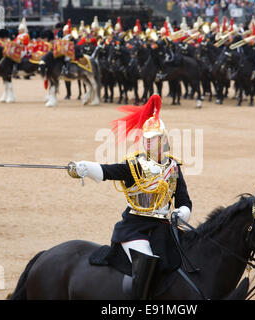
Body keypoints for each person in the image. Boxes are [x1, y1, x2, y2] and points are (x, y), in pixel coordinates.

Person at [67, 95, 192, 300]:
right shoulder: (135, 165)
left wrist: (181, 212)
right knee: (147, 262)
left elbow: (184, 200)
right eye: (146, 138)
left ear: (163, 139)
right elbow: (108, 171)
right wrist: (84, 168)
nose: (148, 142)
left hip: (163, 228)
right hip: (135, 227)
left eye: (153, 138)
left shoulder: (173, 167)